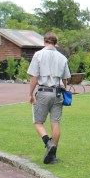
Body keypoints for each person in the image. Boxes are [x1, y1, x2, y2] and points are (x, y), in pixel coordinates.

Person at [28, 32, 71, 164]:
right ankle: (53, 155)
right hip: (58, 93)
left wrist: (30, 94)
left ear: (44, 41)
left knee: (38, 122)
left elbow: (34, 77)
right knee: (55, 123)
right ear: (55, 42)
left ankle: (48, 142)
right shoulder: (62, 58)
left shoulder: (38, 55)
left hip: (43, 92)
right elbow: (66, 79)